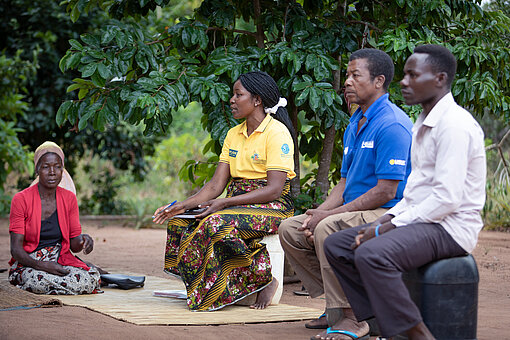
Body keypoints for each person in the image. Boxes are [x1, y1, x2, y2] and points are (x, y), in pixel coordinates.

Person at [324, 44, 486, 340]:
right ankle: (381, 324)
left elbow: (447, 198)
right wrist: (381, 223)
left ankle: (417, 335)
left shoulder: (454, 126)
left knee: (372, 254)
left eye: (413, 75)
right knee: (337, 245)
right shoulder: (423, 123)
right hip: (425, 220)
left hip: (450, 227)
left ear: (438, 79)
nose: (403, 82)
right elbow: (414, 195)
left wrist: (390, 225)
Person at [279, 48, 413, 336]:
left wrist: (329, 217)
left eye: (355, 75)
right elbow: (344, 182)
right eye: (347, 75)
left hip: (390, 211)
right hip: (358, 209)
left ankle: (354, 318)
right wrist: (320, 212)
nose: (347, 82)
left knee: (328, 228)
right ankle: (336, 308)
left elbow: (386, 191)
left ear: (379, 81)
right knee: (290, 228)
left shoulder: (392, 124)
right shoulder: (355, 122)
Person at [153, 71, 296, 311]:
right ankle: (208, 285)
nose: (231, 99)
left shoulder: (277, 133)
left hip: (273, 206)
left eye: (238, 94)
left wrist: (225, 204)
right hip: (238, 202)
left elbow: (273, 190)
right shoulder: (233, 134)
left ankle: (262, 279)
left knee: (214, 222)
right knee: (180, 221)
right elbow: (216, 186)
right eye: (233, 94)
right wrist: (183, 205)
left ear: (257, 100)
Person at [9, 141, 101, 295]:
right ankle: (61, 286)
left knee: (88, 278)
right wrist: (42, 265)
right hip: (30, 263)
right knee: (37, 280)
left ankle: (60, 286)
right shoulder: (21, 199)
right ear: (37, 170)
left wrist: (84, 240)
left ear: (62, 170)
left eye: (57, 167)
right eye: (46, 167)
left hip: (60, 260)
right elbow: (16, 250)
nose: (52, 172)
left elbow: (74, 245)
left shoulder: (69, 198)